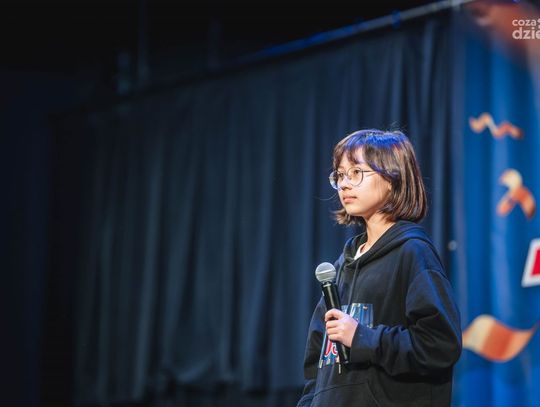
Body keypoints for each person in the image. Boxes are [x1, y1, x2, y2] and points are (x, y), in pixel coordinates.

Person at [297, 129, 462, 407]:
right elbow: (316, 366)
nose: (344, 184)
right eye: (340, 175)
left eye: (356, 172)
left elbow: (439, 345)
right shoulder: (341, 267)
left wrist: (362, 337)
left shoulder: (413, 252)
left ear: (392, 178)